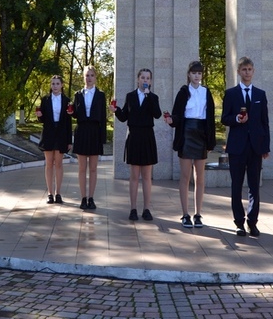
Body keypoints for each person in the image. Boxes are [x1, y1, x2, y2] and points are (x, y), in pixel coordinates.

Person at [221, 56, 270, 237]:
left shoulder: (260, 94)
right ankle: (239, 223)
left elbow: (265, 123)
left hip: (255, 147)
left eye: (250, 69)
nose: (247, 73)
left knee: (254, 186)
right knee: (236, 185)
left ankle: (253, 222)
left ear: (253, 71)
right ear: (239, 72)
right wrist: (236, 119)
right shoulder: (231, 94)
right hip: (237, 147)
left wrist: (265, 147)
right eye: (244, 70)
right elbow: (224, 118)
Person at [168, 60, 216, 229]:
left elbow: (210, 118)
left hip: (201, 134)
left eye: (200, 73)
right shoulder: (183, 91)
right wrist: (171, 120)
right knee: (185, 176)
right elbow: (177, 115)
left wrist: (211, 141)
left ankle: (198, 214)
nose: (197, 76)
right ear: (188, 74)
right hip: (186, 134)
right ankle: (185, 214)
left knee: (200, 177)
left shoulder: (206, 92)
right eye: (194, 73)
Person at [112, 68, 162, 221]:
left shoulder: (153, 97)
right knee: (134, 175)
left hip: (147, 137)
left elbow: (157, 114)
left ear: (151, 81)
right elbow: (124, 117)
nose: (145, 80)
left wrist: (149, 98)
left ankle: (146, 209)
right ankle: (133, 209)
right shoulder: (130, 96)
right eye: (142, 77)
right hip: (133, 136)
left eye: (148, 78)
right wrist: (115, 110)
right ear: (138, 80)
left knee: (147, 176)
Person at [71, 65, 108, 210]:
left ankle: (91, 198)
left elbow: (103, 117)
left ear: (95, 77)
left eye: (92, 75)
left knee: (93, 168)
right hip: (81, 130)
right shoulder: (78, 94)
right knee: (82, 168)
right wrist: (71, 112)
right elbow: (75, 113)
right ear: (83, 77)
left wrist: (103, 138)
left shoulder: (101, 95)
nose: (89, 78)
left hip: (94, 131)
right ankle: (83, 198)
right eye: (87, 75)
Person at [37, 75, 73, 204]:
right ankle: (50, 193)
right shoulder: (45, 99)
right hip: (48, 133)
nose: (55, 86)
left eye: (57, 83)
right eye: (53, 84)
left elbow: (69, 122)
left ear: (62, 85)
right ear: (51, 85)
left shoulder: (67, 100)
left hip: (62, 134)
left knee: (58, 164)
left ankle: (58, 193)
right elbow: (42, 119)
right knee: (49, 164)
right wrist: (39, 116)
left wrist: (69, 140)